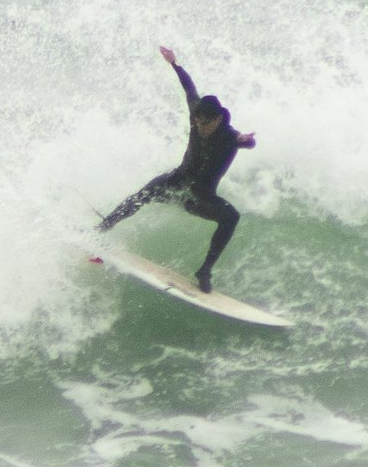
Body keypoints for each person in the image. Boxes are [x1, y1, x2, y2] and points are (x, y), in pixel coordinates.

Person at [95, 46, 256, 293]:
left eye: (205, 123)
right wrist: (174, 64)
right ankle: (100, 230)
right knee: (141, 196)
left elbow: (247, 142)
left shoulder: (229, 136)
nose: (199, 127)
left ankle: (204, 271)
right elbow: (189, 88)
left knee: (231, 217)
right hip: (177, 182)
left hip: (200, 198)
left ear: (218, 120)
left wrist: (247, 140)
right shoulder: (197, 113)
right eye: (197, 121)